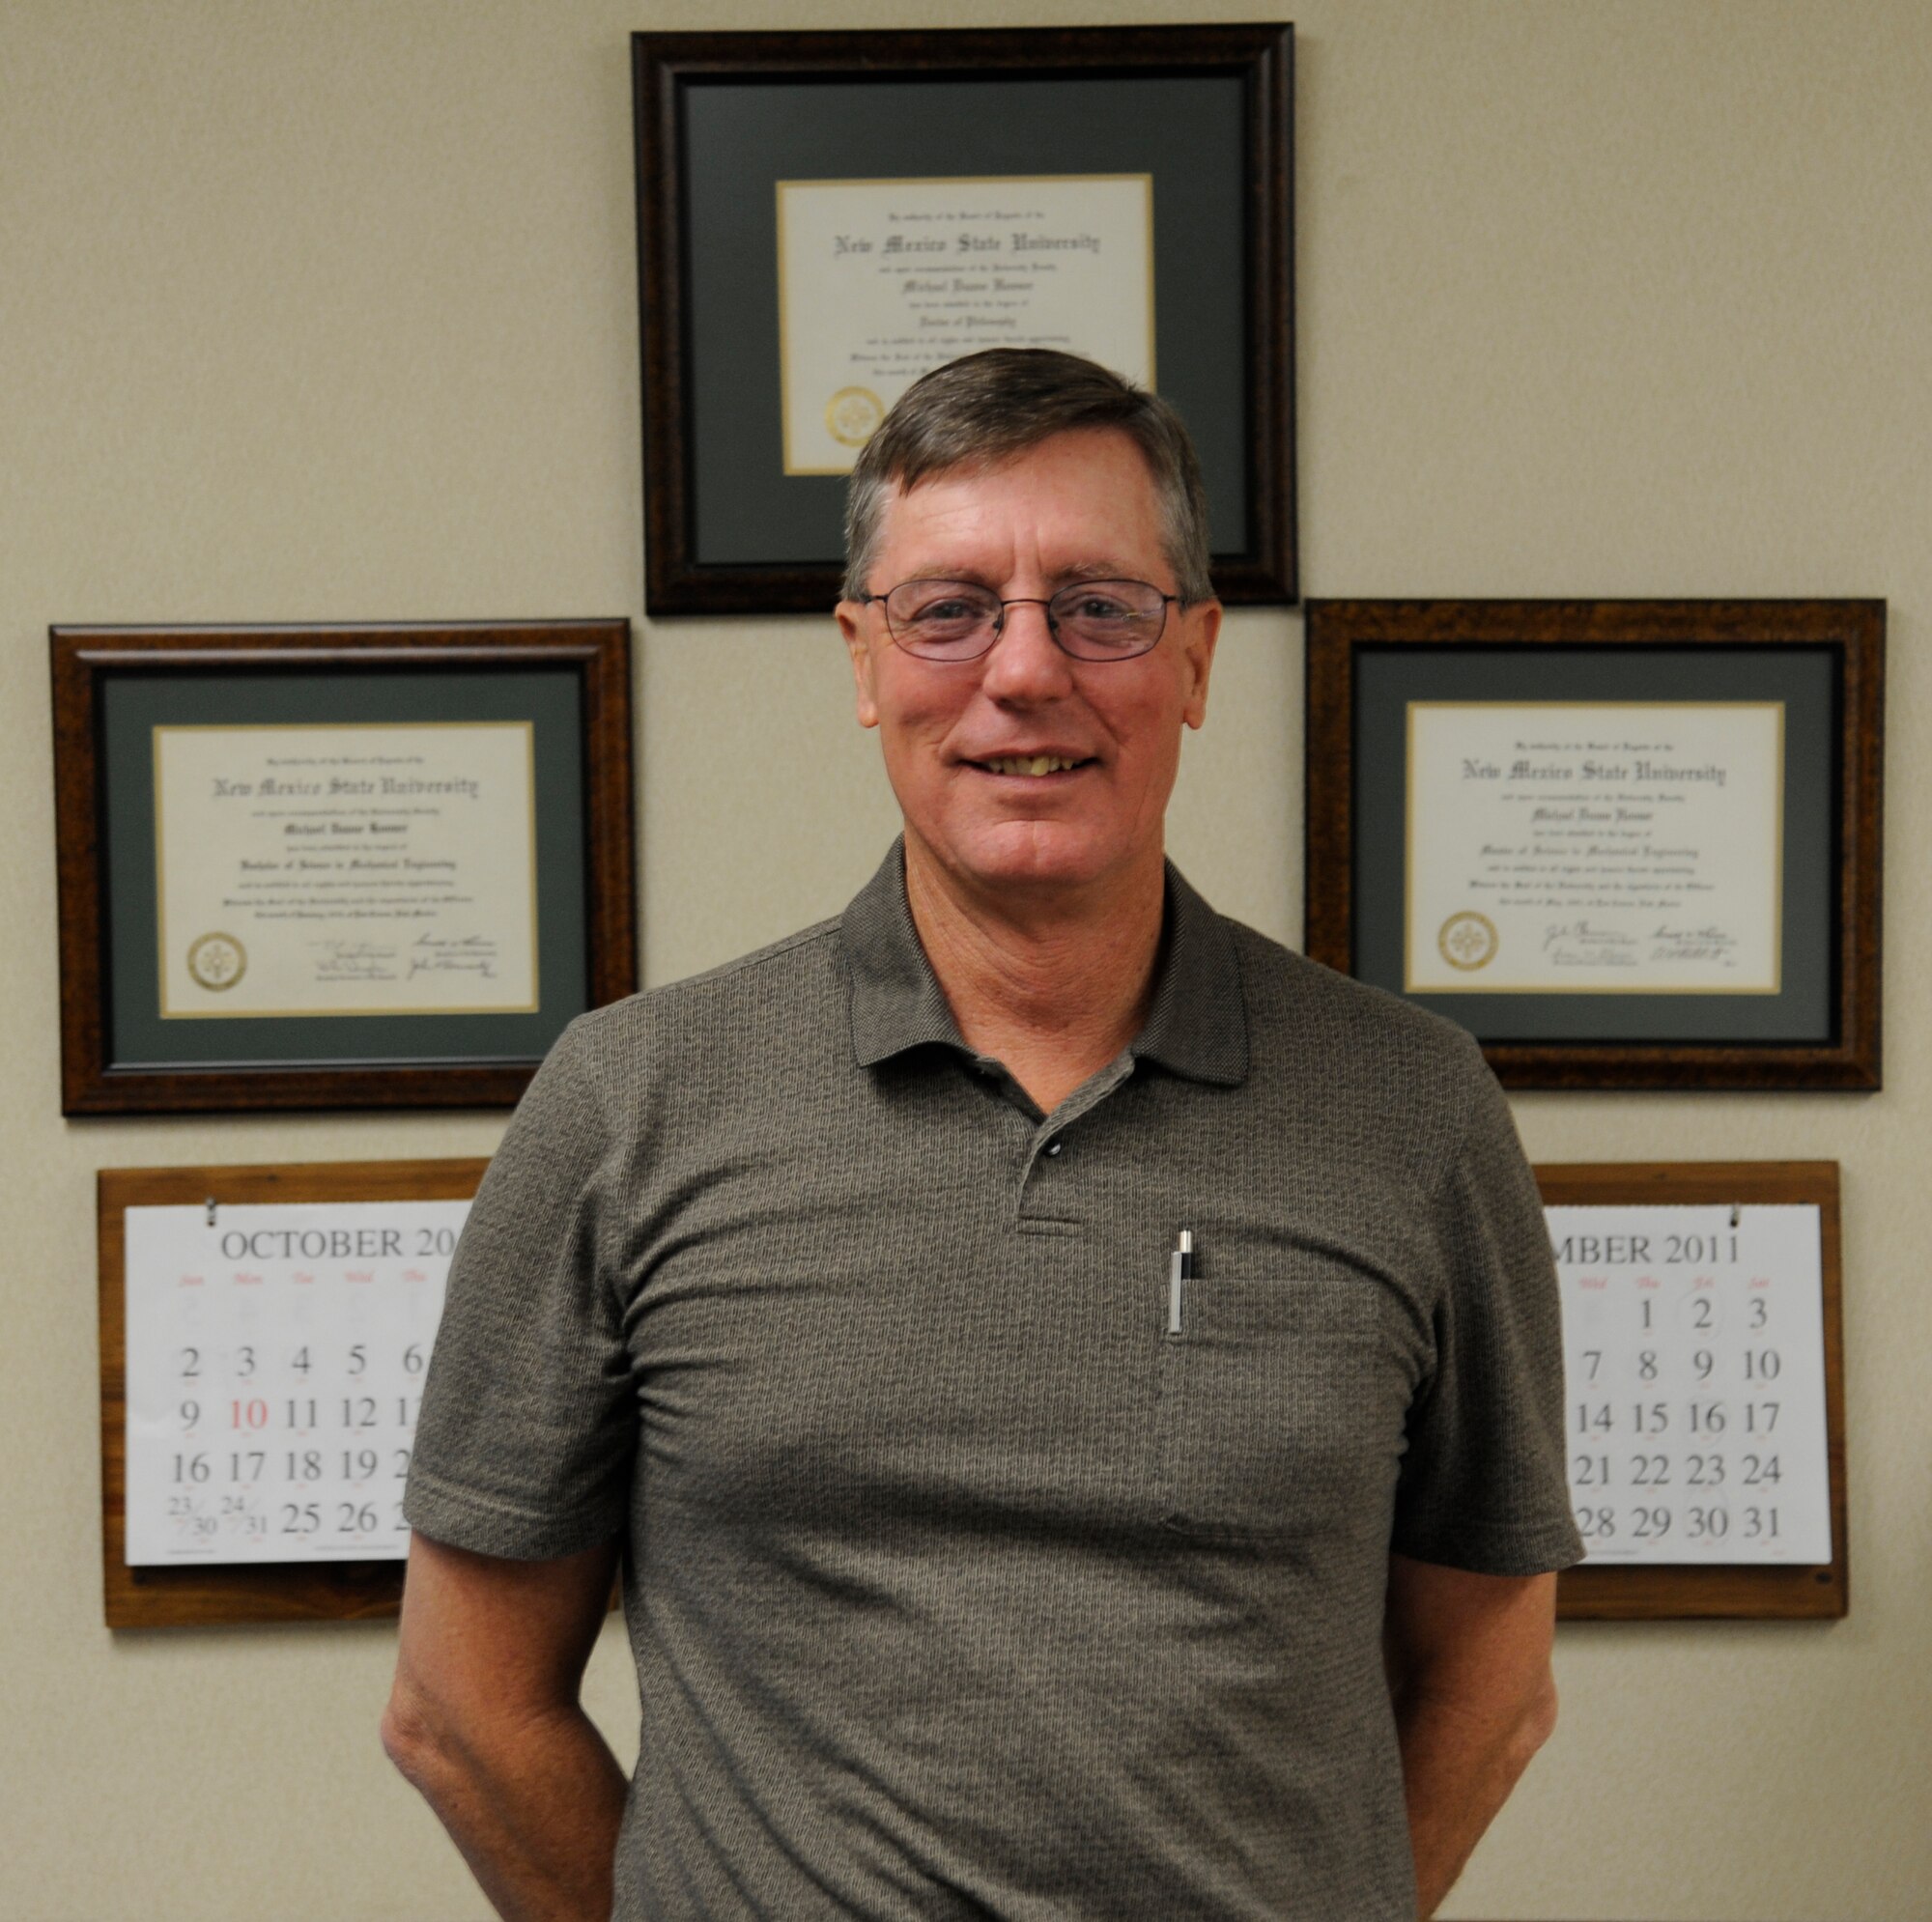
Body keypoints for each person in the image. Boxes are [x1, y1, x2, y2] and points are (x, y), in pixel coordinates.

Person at [383, 348, 1582, 1921]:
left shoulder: (1415, 1112)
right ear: (864, 660)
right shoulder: (630, 1102)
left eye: (1101, 604)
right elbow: (462, 1710)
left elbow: (1488, 1688)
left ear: (1198, 657)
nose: (1025, 672)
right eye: (948, 610)